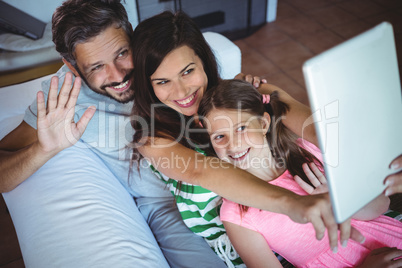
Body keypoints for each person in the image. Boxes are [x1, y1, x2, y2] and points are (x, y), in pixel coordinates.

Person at [0, 1, 233, 266]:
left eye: (122, 53)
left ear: (131, 33)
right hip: (165, 204)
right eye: (96, 67)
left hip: (221, 169)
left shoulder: (155, 54)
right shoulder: (65, 98)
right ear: (73, 66)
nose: (119, 75)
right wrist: (43, 150)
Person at [130, 10, 366, 256]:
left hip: (316, 225)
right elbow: (201, 170)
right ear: (149, 86)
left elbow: (318, 130)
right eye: (162, 81)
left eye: (188, 71)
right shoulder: (153, 138)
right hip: (259, 250)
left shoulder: (247, 92)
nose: (181, 91)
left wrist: (376, 162)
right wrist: (293, 204)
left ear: (204, 61)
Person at [197, 79, 402, 268]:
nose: (233, 144)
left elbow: (381, 205)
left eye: (241, 128)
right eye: (219, 137)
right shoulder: (236, 213)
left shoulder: (307, 149)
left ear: (263, 124)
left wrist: (337, 200)